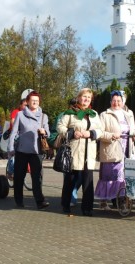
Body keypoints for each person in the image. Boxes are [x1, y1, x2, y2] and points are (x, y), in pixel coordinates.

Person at [57, 88, 103, 216]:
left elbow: (100, 130)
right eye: (84, 97)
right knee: (70, 180)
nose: (86, 99)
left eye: (89, 97)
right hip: (75, 151)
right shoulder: (70, 113)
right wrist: (72, 133)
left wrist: (91, 133)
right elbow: (60, 127)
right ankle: (66, 205)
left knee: (88, 182)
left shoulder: (94, 114)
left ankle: (87, 208)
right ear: (78, 98)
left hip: (89, 153)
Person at [95, 90, 135, 210]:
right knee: (108, 177)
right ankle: (104, 201)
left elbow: (132, 130)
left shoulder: (128, 114)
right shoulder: (104, 115)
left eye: (119, 101)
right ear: (110, 102)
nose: (116, 103)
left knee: (123, 178)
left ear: (122, 102)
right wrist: (111, 135)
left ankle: (122, 202)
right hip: (111, 150)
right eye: (114, 101)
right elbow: (99, 133)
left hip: (126, 149)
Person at [8, 91, 50, 210]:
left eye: (37, 100)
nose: (35, 102)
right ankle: (19, 200)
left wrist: (44, 132)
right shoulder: (20, 115)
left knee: (37, 177)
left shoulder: (43, 116)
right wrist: (11, 148)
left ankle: (40, 201)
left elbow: (48, 133)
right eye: (33, 100)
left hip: (36, 151)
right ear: (28, 102)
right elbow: (14, 132)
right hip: (22, 151)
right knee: (19, 177)